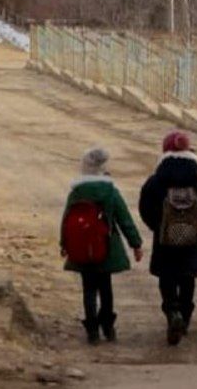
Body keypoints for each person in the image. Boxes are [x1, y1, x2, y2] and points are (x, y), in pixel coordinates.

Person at [138, 131, 197, 346]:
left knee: (168, 277)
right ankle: (185, 315)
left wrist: (158, 227)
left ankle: (172, 312)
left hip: (165, 240)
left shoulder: (157, 179)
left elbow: (145, 208)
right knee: (187, 277)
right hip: (193, 240)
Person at [60, 147, 143, 345]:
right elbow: (124, 219)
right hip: (106, 246)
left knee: (88, 288)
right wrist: (136, 244)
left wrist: (64, 244)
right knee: (105, 287)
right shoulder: (110, 191)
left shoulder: (77, 192)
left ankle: (92, 331)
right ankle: (108, 326)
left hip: (80, 247)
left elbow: (66, 219)